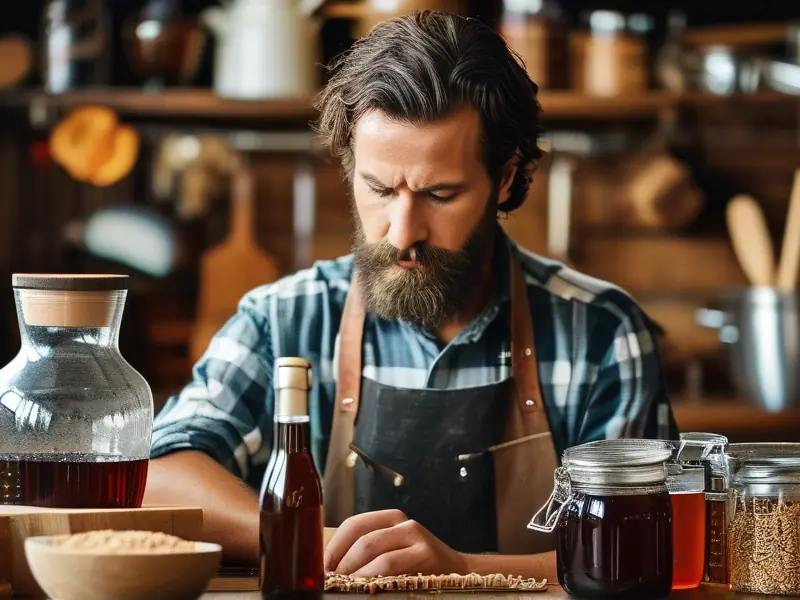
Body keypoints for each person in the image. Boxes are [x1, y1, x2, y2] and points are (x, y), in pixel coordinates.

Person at [144, 10, 678, 581]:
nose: (402, 233)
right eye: (378, 188)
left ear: (503, 178)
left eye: (440, 195)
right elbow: (159, 479)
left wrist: (461, 570)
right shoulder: (284, 321)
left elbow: (642, 552)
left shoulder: (601, 333)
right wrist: (311, 543)